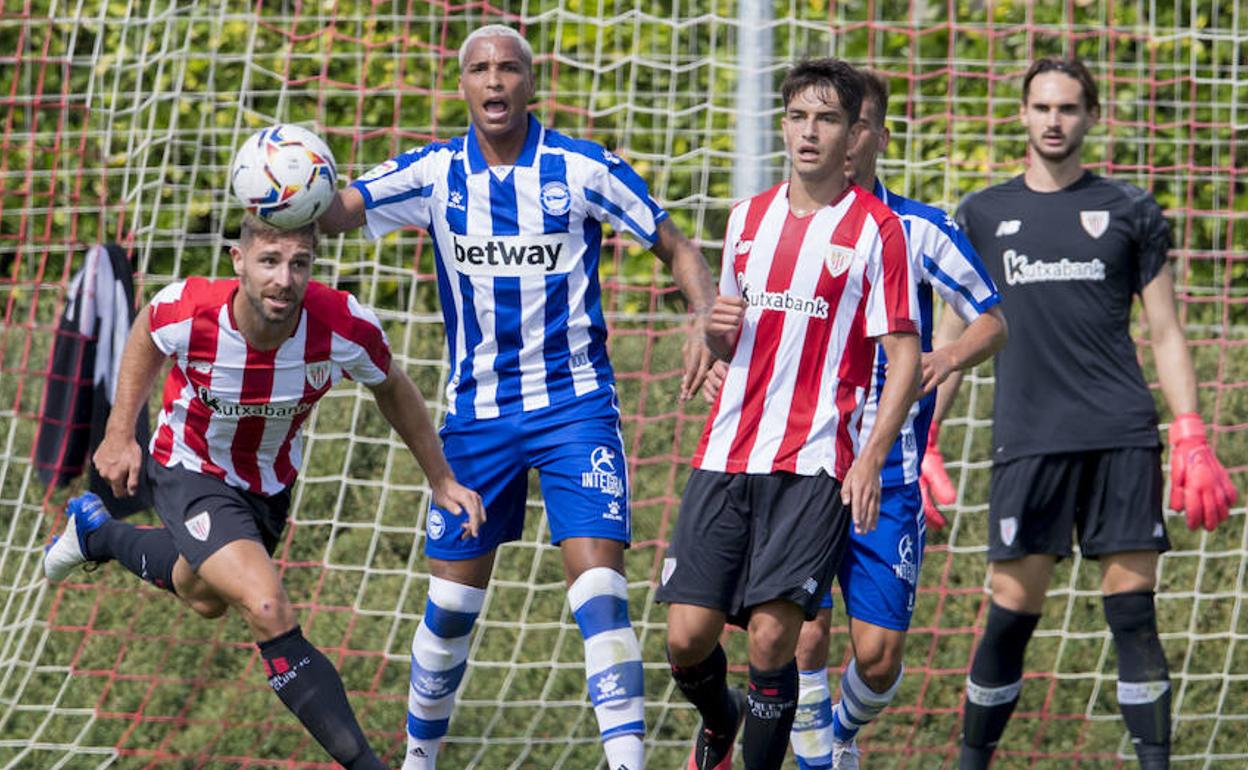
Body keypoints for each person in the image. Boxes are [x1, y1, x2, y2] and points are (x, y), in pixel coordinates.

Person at [317, 24, 718, 770]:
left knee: (600, 590)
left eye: (509, 68)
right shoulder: (435, 173)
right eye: (479, 69)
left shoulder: (582, 168)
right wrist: (288, 178)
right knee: (449, 615)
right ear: (462, 85)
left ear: (531, 84)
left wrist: (704, 316)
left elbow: (679, 246)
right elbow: (337, 210)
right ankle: (418, 761)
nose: (494, 81)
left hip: (576, 410)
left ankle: (627, 763)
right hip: (476, 419)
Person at [43, 213, 484, 770]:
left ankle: (97, 533)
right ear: (239, 262)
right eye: (269, 262)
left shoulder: (343, 326)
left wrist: (441, 478)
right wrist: (118, 433)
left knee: (202, 596)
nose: (283, 279)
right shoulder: (194, 309)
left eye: (299, 264)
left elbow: (392, 386)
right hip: (188, 468)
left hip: (268, 486)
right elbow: (148, 332)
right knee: (267, 605)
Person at [934, 56, 1239, 769]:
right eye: (1042, 107)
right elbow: (950, 342)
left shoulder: (1132, 211)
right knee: (1010, 617)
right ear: (1022, 114)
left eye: (1068, 108)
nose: (1053, 120)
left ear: (1090, 117)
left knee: (1132, 614)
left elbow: (1164, 330)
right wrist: (924, 441)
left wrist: (1189, 431)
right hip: (1028, 441)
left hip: (1120, 436)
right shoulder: (981, 213)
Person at [656, 59, 922, 770]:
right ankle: (720, 719)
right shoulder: (746, 219)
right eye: (800, 116)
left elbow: (904, 355)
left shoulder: (878, 232)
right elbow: (729, 335)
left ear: (852, 135)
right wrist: (709, 335)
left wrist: (869, 457)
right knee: (686, 638)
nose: (811, 131)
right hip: (726, 453)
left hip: (814, 464)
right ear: (784, 125)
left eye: (828, 118)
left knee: (774, 642)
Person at [779, 70, 1008, 770]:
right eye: (815, 120)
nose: (835, 136)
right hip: (805, 465)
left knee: (877, 660)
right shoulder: (783, 223)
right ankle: (816, 754)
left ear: (873, 135)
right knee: (803, 633)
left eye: (854, 122)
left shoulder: (918, 229)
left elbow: (994, 317)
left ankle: (836, 735)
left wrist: (952, 355)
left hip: (893, 473)